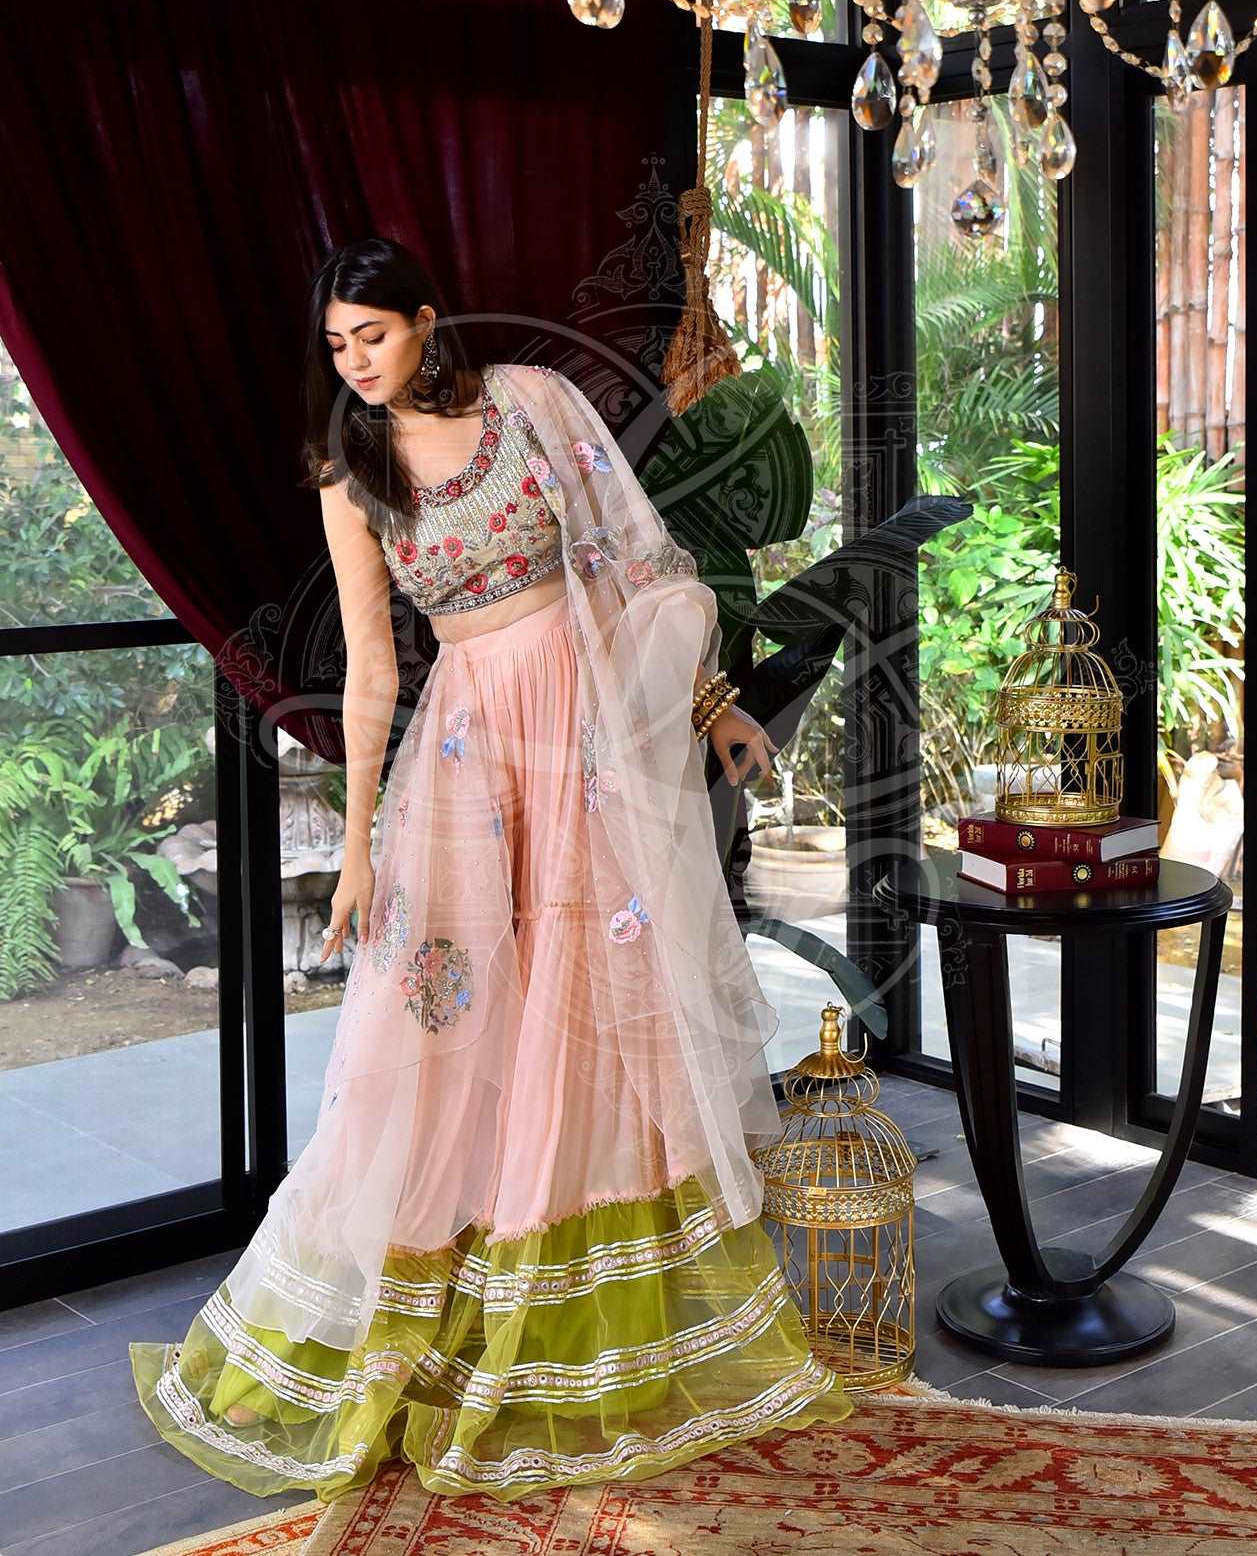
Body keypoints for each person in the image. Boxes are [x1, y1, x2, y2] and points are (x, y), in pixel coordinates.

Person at [128, 237, 856, 1502]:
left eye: (375, 335)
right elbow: (369, 669)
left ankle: (591, 1314)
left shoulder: (532, 401)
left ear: (426, 321)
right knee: (449, 1023)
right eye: (337, 347)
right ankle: (431, 1300)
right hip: (466, 754)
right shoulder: (349, 477)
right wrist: (355, 840)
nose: (355, 364)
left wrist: (713, 704)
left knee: (590, 1013)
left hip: (584, 740)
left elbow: (632, 566)